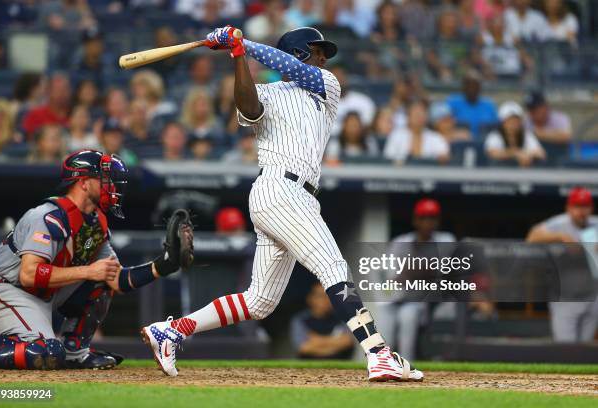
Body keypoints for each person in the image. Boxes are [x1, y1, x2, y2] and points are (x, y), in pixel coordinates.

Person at [142, 26, 424, 382]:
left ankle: (173, 331)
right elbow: (246, 105)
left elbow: (295, 71)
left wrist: (244, 43)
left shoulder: (326, 86)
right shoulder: (266, 91)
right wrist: (238, 55)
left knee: (260, 301)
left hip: (295, 195)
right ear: (299, 51)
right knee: (334, 268)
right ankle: (379, 355)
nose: (324, 57)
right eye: (317, 50)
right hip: (279, 188)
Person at [0, 150, 193, 369]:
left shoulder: (95, 223)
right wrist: (88, 271)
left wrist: (165, 264)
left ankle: (75, 352)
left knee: (102, 280)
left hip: (38, 295)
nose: (112, 186)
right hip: (2, 288)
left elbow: (116, 279)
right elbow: (28, 275)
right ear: (83, 182)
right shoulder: (47, 217)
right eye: (104, 179)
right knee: (44, 351)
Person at [377, 198, 456, 361]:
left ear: (437, 221)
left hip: (428, 301)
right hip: (398, 297)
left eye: (432, 218)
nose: (428, 222)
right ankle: (382, 363)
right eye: (423, 217)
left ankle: (407, 364)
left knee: (408, 315)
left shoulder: (446, 240)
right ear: (415, 220)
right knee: (384, 315)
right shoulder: (401, 242)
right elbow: (392, 279)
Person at [527, 187, 598, 343]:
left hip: (592, 297)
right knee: (566, 350)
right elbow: (532, 237)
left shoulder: (595, 224)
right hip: (565, 299)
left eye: (585, 206)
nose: (581, 211)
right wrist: (560, 236)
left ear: (591, 208)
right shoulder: (560, 223)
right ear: (568, 208)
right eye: (577, 206)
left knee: (584, 350)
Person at [290, 282, 355, 359]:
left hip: (341, 366)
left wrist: (318, 340)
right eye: (320, 296)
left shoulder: (342, 317)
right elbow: (304, 348)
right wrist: (334, 343)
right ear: (310, 298)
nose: (326, 300)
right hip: (309, 367)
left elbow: (347, 342)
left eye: (329, 296)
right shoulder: (300, 319)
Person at [384, 100, 450, 165]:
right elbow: (388, 158)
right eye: (416, 114)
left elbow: (444, 156)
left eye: (422, 113)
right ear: (408, 117)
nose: (419, 117)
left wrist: (442, 159)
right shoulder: (396, 136)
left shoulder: (436, 138)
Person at [484, 101, 545, 167]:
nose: (513, 124)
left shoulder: (527, 135)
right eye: (509, 120)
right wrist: (516, 154)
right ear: (502, 123)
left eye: (516, 120)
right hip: (499, 173)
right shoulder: (495, 136)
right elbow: (492, 153)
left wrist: (527, 155)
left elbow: (541, 153)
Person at [446, 70, 498, 139]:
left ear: (480, 87)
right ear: (463, 87)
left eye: (475, 85)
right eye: (469, 85)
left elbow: (496, 128)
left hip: (486, 144)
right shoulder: (452, 103)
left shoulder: (489, 105)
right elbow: (443, 126)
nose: (472, 89)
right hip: (459, 143)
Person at [330, 65, 376, 137]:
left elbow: (368, 125)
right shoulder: (322, 103)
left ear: (347, 78)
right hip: (329, 142)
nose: (338, 80)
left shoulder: (363, 101)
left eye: (341, 76)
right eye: (335, 77)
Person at [23, 74, 72, 139]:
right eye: (58, 90)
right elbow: (30, 142)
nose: (62, 93)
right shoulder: (35, 115)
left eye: (65, 89)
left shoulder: (77, 114)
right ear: (48, 91)